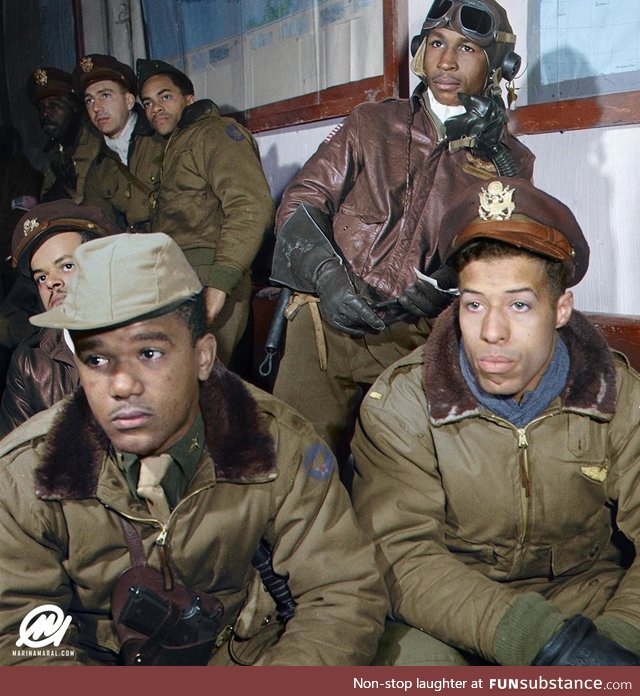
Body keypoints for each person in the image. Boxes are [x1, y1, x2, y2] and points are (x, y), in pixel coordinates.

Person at [0, 232, 386, 665]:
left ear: (203, 356)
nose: (121, 385)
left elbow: (339, 593)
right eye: (97, 359)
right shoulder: (24, 473)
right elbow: (18, 636)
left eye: (148, 352)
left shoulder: (280, 443)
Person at [351, 176, 640, 666]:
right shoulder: (401, 401)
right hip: (447, 611)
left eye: (520, 305)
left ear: (561, 309)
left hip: (589, 602)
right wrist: (544, 644)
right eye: (474, 304)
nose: (491, 332)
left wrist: (614, 643)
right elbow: (401, 555)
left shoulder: (618, 392)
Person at [269, 0, 535, 469]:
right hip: (325, 330)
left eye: (467, 48)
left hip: (417, 343)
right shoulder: (369, 124)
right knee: (295, 472)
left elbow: (504, 259)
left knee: (394, 484)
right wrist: (327, 277)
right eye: (436, 43)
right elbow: (301, 202)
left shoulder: (510, 161)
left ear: (498, 66)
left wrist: (448, 285)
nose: (446, 62)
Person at [137, 58, 274, 366]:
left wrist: (218, 284)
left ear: (190, 99)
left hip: (210, 275)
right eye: (148, 102)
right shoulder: (175, 144)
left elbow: (251, 207)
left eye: (165, 96)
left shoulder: (215, 132)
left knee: (208, 380)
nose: (155, 107)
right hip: (179, 277)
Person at [0, 200, 118, 436]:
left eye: (66, 266)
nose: (51, 282)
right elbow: (12, 459)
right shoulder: (30, 363)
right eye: (41, 277)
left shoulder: (149, 336)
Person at [73, 54, 164, 232]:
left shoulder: (161, 137)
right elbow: (97, 225)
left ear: (129, 101)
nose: (96, 108)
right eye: (89, 100)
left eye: (105, 95)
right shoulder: (100, 167)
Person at [26, 66, 100, 203]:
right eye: (41, 108)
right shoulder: (54, 152)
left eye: (53, 106)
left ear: (74, 105)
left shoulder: (96, 143)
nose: (45, 114)